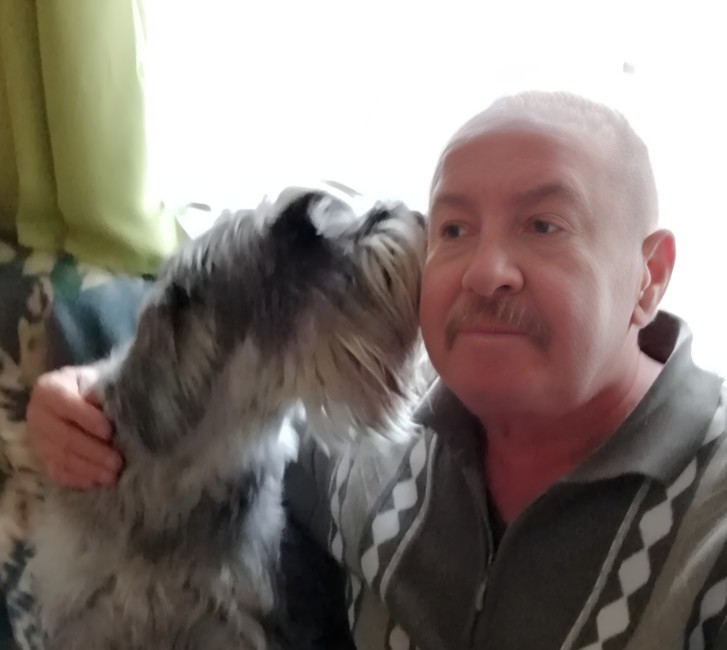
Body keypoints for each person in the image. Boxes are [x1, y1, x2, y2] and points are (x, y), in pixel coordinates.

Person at [26, 91, 727, 649]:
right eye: (453, 230)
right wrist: (81, 407)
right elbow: (198, 417)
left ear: (648, 276)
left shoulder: (711, 523)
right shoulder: (367, 451)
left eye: (544, 225)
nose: (486, 270)